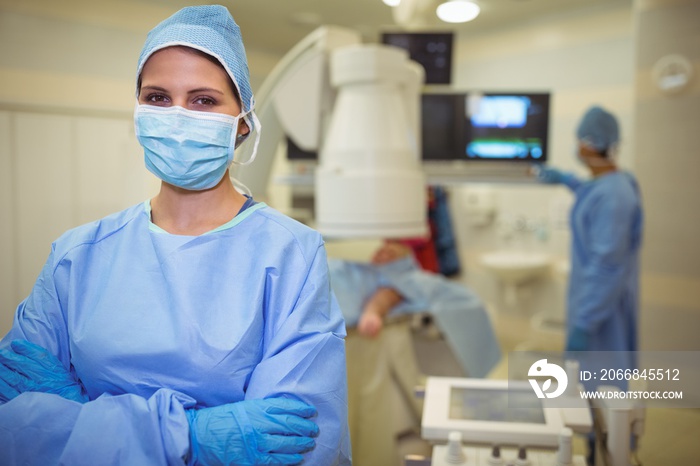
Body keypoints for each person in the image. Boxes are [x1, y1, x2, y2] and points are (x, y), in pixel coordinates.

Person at [0, 5, 351, 465]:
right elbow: (18, 428)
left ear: (243, 121)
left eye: (204, 100)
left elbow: (296, 436)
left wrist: (86, 426)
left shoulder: (290, 256)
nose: (178, 116)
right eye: (158, 98)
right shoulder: (76, 256)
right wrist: (189, 437)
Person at [536, 106, 643, 359]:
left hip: (601, 310)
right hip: (594, 301)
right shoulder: (612, 183)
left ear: (589, 145)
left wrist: (585, 323)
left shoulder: (615, 197)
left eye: (579, 141)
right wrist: (566, 179)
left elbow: (607, 266)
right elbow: (593, 193)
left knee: (601, 389)